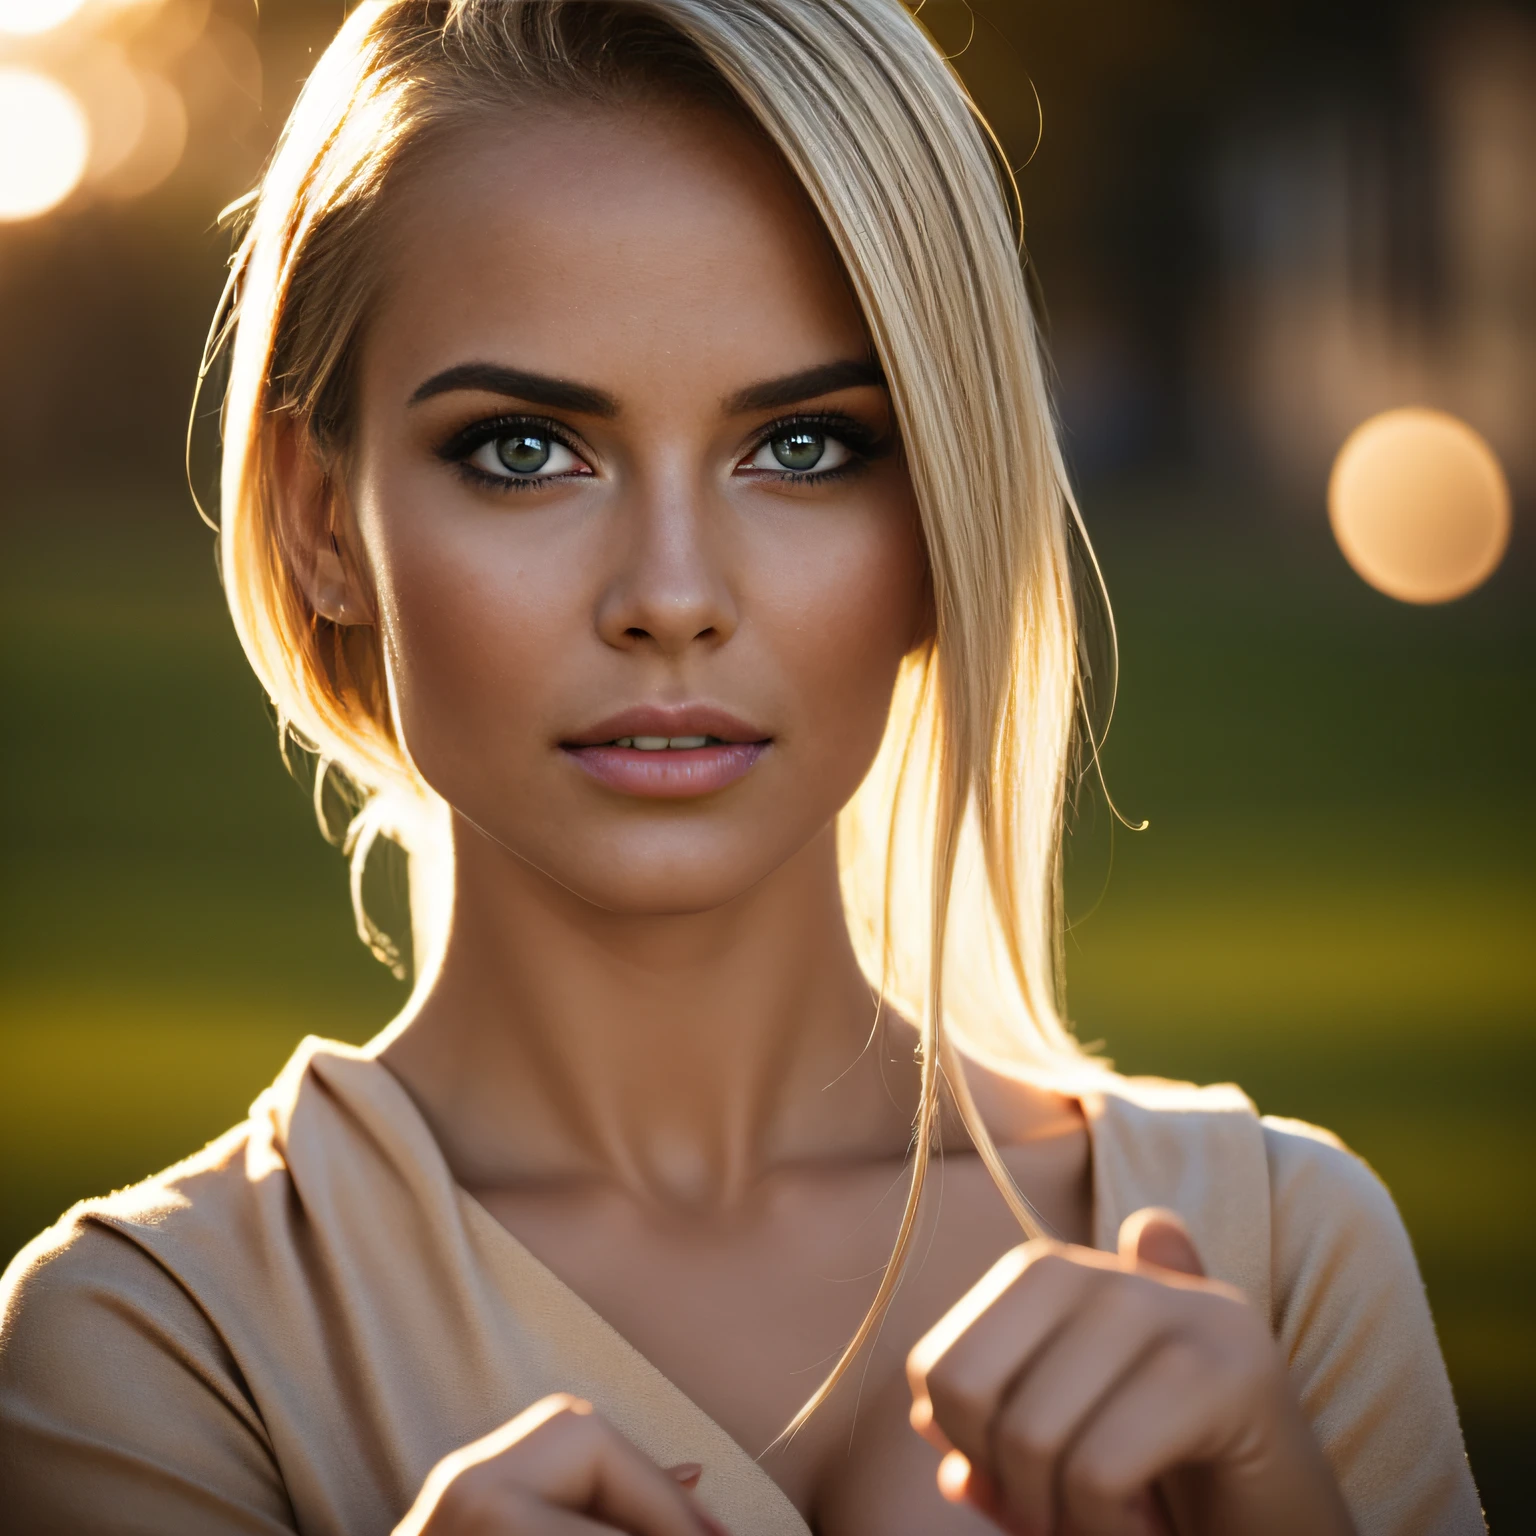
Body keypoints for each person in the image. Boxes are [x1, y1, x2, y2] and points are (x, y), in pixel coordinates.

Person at [0, 3, 1485, 1533]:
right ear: (325, 522)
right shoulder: (160, 1344)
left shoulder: (1281, 1263)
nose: (672, 591)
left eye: (805, 447)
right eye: (524, 449)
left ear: (941, 520)